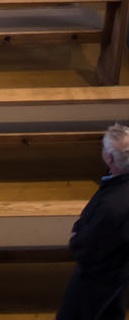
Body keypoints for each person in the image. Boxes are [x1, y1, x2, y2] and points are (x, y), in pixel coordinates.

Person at [55, 122, 129, 320]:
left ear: (109, 157)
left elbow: (88, 245)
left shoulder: (114, 204)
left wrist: (75, 238)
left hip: (97, 276)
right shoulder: (119, 190)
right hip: (118, 273)